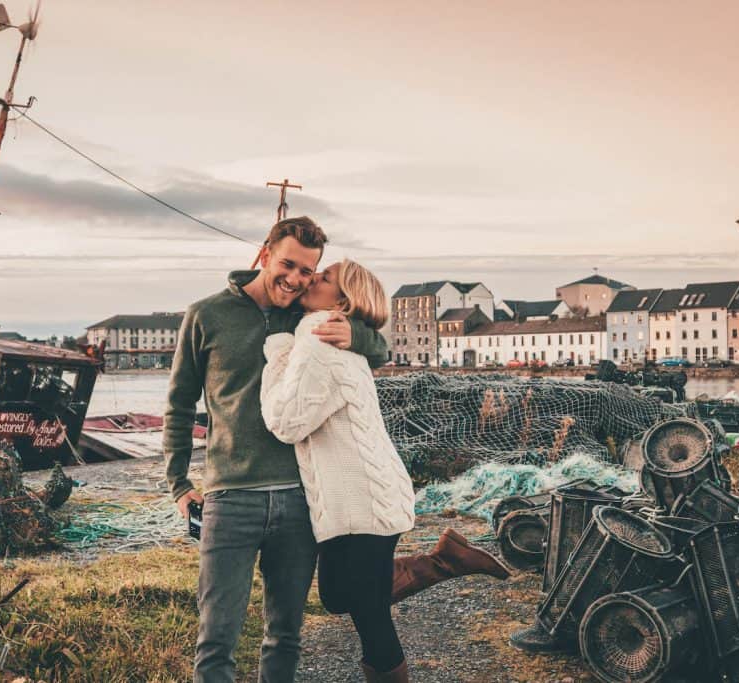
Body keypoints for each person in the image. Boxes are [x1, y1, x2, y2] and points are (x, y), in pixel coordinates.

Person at [260, 259, 510, 683]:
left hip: (365, 502)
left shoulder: (320, 340)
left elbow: (286, 424)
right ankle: (443, 561)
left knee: (370, 616)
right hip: (359, 499)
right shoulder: (331, 337)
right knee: (340, 597)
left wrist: (276, 354)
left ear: (342, 300)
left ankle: (444, 564)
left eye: (324, 278)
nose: (312, 278)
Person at [164, 217, 389, 683]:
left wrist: (360, 337)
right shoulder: (205, 315)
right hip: (230, 497)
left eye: (309, 270)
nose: (296, 278)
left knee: (285, 635)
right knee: (216, 639)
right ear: (264, 255)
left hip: (300, 496)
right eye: (288, 264)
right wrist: (178, 483)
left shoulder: (306, 315)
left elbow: (378, 344)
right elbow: (179, 405)